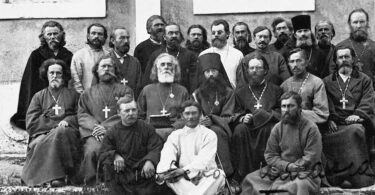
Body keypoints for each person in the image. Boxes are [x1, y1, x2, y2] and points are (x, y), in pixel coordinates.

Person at [241, 91, 322, 195]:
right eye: (284, 106)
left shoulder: (311, 128)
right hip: (280, 170)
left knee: (296, 186)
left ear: (299, 108)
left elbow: (311, 157)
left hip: (305, 173)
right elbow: (270, 155)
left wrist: (291, 168)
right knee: (250, 179)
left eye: (290, 106)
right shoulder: (278, 128)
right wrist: (286, 166)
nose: (286, 110)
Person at [21, 59, 80, 187]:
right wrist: (55, 125)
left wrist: (67, 120)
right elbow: (31, 123)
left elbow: (80, 115)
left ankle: (56, 176)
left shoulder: (74, 95)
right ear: (46, 75)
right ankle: (54, 177)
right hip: (43, 133)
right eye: (51, 73)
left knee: (62, 132)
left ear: (63, 75)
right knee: (54, 134)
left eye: (58, 73)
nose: (54, 76)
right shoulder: (38, 96)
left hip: (68, 133)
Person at [323, 46, 375, 188]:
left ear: (353, 59)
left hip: (357, 119)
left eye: (347, 57)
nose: (344, 60)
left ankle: (359, 175)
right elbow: (325, 102)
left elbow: (368, 99)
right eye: (340, 57)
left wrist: (357, 115)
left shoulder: (364, 79)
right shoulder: (327, 81)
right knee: (326, 135)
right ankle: (337, 176)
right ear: (335, 61)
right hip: (336, 121)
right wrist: (331, 119)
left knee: (356, 131)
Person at [78, 54, 133, 185]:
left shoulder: (125, 91)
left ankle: (117, 181)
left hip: (119, 132)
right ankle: (91, 182)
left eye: (110, 66)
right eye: (103, 66)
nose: (106, 69)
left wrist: (106, 128)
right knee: (92, 150)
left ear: (115, 70)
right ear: (97, 70)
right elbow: (82, 115)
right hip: (95, 133)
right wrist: (96, 127)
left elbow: (128, 111)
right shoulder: (88, 93)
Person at [11, 21, 73, 130]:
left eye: (55, 34)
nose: (52, 37)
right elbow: (29, 82)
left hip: (62, 97)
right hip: (43, 98)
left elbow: (70, 79)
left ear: (61, 35)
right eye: (49, 34)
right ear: (43, 37)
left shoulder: (68, 55)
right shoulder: (36, 55)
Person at [156, 100, 226, 195]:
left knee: (219, 175)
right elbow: (167, 154)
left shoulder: (209, 134)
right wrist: (169, 169)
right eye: (187, 113)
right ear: (182, 115)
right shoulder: (176, 135)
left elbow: (204, 160)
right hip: (182, 179)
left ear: (200, 114)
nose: (191, 117)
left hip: (205, 176)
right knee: (171, 178)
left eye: (194, 113)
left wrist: (183, 171)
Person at [192, 53, 239, 192]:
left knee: (216, 132)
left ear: (219, 72)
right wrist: (200, 120)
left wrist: (212, 119)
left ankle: (227, 175)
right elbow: (194, 112)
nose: (211, 75)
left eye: (214, 71)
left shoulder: (228, 92)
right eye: (207, 71)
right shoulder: (197, 93)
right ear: (203, 74)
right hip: (201, 127)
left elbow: (228, 115)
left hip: (223, 127)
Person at [231, 54, 282, 182]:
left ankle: (270, 171)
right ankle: (242, 174)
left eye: (258, 68)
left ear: (265, 70)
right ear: (247, 71)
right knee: (239, 130)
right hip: (249, 127)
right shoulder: (240, 92)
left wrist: (267, 115)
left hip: (268, 125)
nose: (254, 71)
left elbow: (281, 111)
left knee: (271, 129)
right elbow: (235, 112)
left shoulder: (276, 90)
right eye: (251, 68)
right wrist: (242, 117)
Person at [99, 96, 163, 195]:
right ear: (118, 113)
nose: (131, 113)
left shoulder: (147, 128)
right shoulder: (112, 131)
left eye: (134, 110)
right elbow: (103, 152)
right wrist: (115, 155)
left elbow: (156, 147)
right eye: (127, 111)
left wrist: (150, 160)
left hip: (143, 175)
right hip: (122, 177)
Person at [138, 53, 190, 139]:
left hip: (175, 134)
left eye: (169, 64)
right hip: (150, 135)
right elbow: (139, 116)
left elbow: (186, 116)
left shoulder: (182, 91)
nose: (166, 67)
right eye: (162, 64)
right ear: (156, 68)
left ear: (174, 69)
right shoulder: (147, 90)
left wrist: (173, 129)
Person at [143, 23, 198, 93]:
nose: (174, 36)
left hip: (182, 95)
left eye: (176, 33)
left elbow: (194, 81)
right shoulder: (156, 55)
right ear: (164, 37)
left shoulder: (190, 55)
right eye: (170, 33)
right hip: (160, 95)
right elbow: (148, 79)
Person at [281, 48, 329, 125]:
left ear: (306, 63)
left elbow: (322, 114)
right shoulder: (285, 85)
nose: (295, 65)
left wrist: (297, 113)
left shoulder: (316, 82)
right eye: (292, 62)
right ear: (288, 64)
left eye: (299, 61)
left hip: (310, 126)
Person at [332, 8, 375, 83]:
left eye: (362, 22)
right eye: (355, 22)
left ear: (367, 23)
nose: (358, 26)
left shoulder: (373, 46)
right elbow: (333, 74)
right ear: (350, 24)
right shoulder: (340, 47)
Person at [200, 19, 243, 88]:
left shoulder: (237, 55)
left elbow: (241, 81)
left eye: (219, 32)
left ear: (228, 34)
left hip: (231, 95)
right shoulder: (204, 55)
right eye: (213, 33)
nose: (216, 35)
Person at [71, 23, 109, 94]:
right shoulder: (79, 55)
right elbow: (76, 81)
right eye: (93, 33)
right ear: (88, 36)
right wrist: (84, 98)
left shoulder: (108, 55)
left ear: (104, 37)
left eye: (100, 34)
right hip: (85, 98)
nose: (96, 36)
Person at [108, 27, 142, 97]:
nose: (126, 41)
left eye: (127, 38)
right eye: (122, 38)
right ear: (113, 40)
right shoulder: (105, 61)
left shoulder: (135, 62)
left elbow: (139, 87)